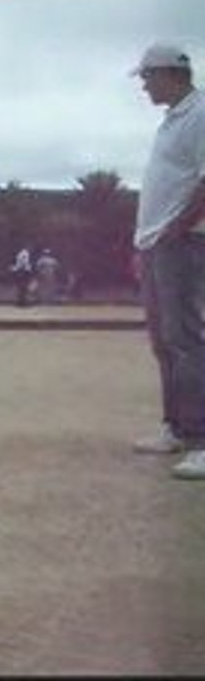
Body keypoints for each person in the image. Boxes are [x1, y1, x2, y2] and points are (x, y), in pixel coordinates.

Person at [129, 42, 205, 480]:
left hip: (183, 243)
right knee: (163, 343)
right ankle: (174, 428)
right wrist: (142, 242)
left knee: (185, 340)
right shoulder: (171, 121)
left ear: (170, 74)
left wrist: (176, 231)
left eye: (146, 77)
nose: (143, 85)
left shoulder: (199, 115)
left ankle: (200, 438)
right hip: (156, 244)